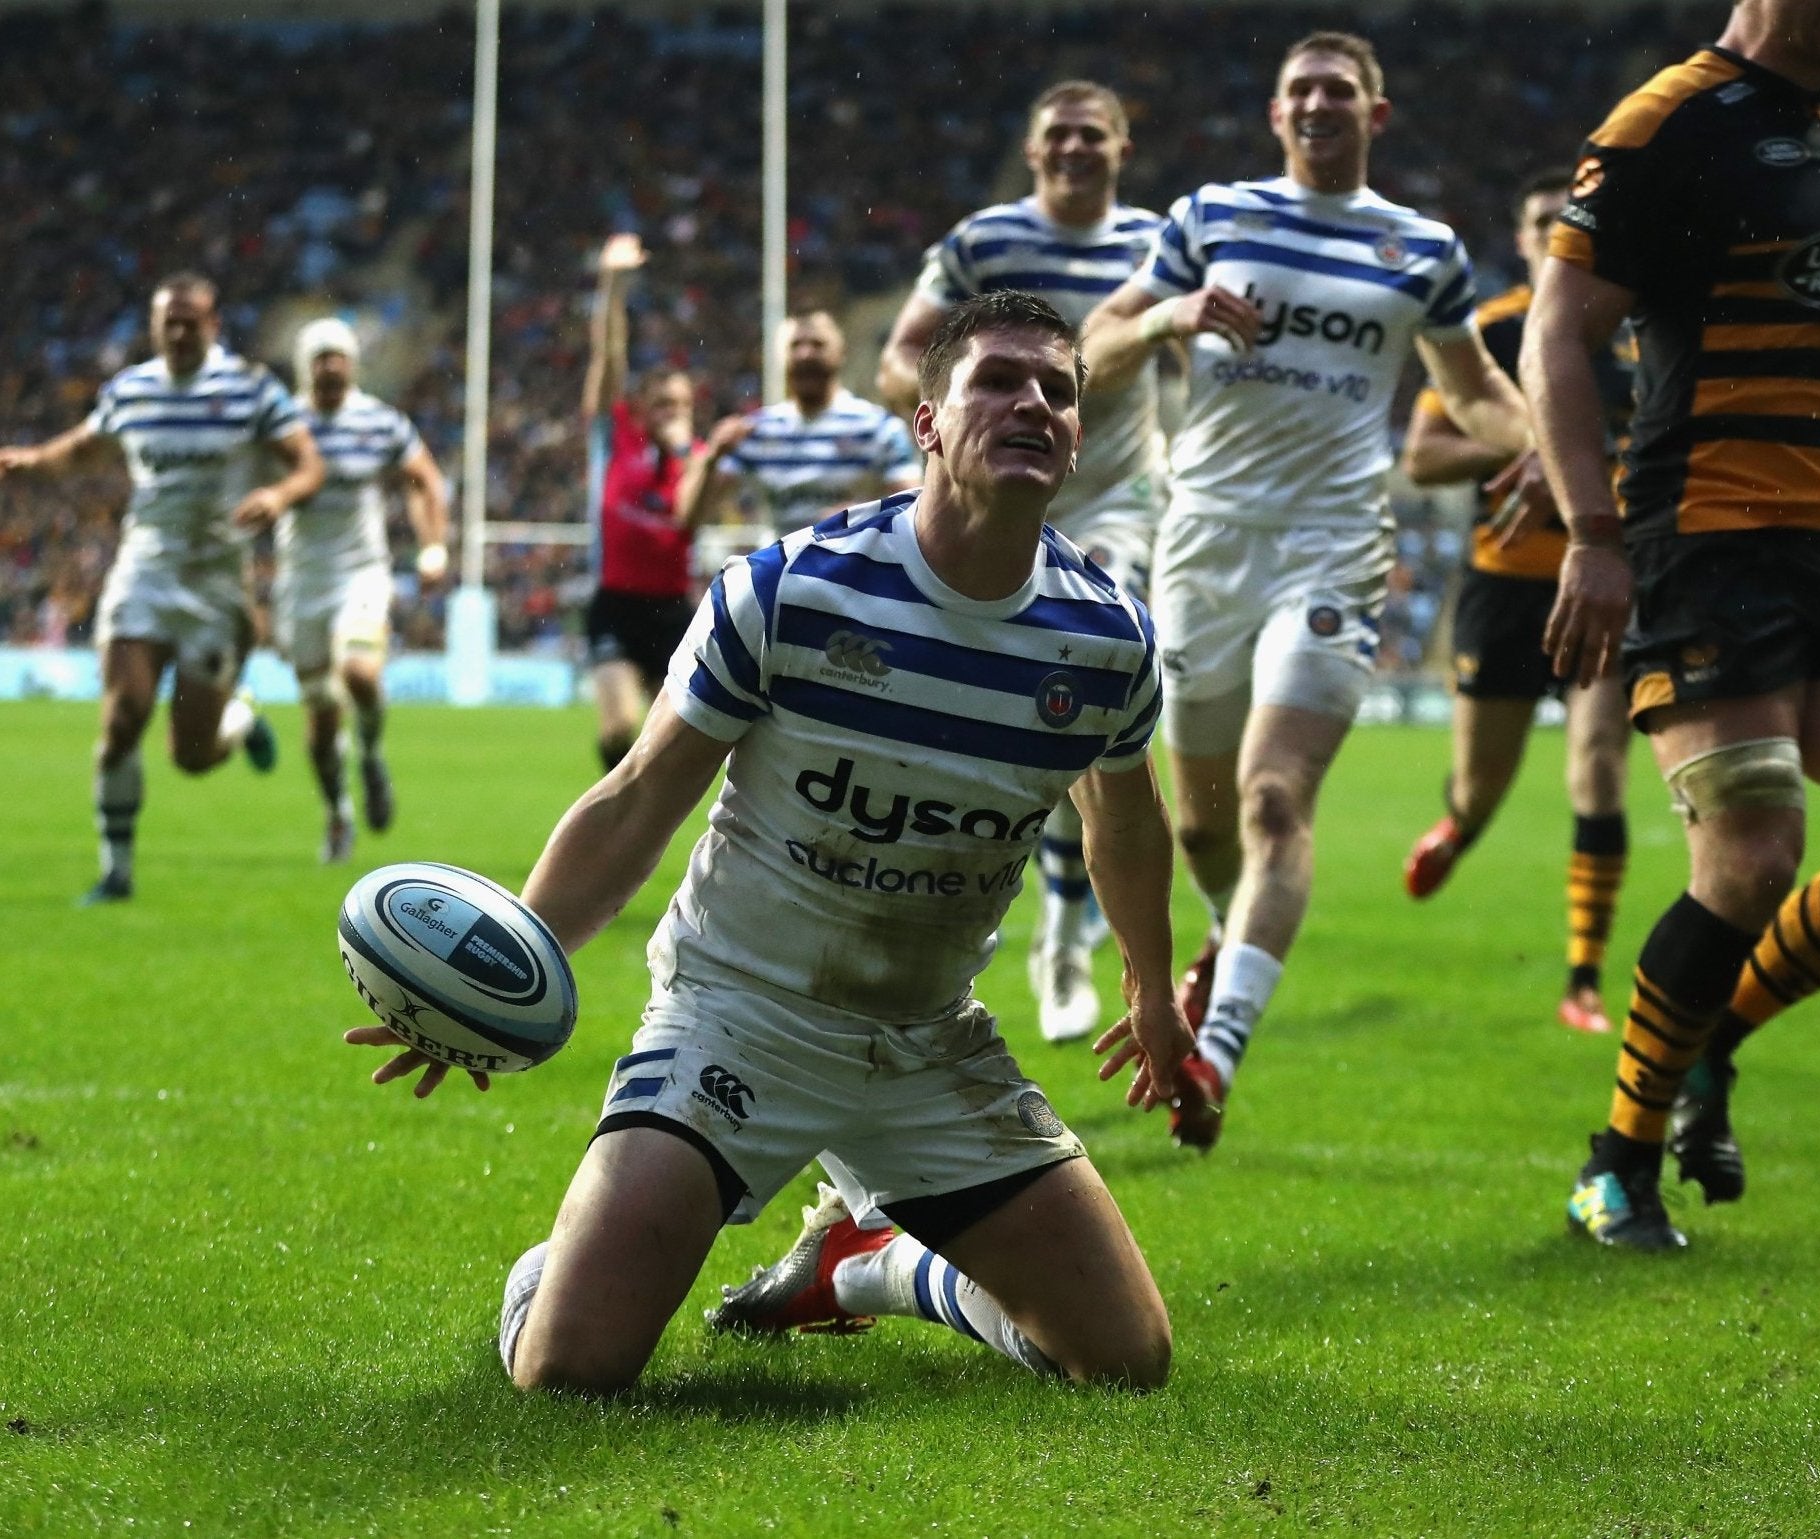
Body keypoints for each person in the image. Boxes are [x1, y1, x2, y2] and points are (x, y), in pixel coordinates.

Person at [346, 292, 1192, 1394]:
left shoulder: (1105, 640)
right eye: (997, 380)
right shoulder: (792, 589)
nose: (1031, 402)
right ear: (928, 420)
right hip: (737, 1017)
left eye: (1058, 392)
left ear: (1079, 435)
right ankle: (562, 1279)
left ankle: (873, 1267)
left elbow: (1123, 822)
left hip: (927, 1044)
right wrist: (496, 971)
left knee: (1125, 1362)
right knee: (571, 1371)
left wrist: (1153, 989)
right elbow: (638, 797)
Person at [1527, 0, 1820, 1249]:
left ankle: (1714, 1037)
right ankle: (1614, 1167)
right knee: (1752, 859)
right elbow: (1557, 331)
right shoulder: (1665, 125)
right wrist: (1591, 534)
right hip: (1705, 537)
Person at [1083, 32, 1531, 1148]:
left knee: (1275, 798)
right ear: (1275, 115)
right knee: (1200, 822)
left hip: (1333, 546)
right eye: (1301, 91)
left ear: (1377, 115)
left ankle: (1219, 1052)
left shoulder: (1419, 250)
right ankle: (1220, 945)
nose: (1319, 104)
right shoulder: (1209, 220)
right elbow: (1093, 346)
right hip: (1205, 542)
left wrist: (1537, 451)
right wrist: (1166, 318)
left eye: (1341, 90)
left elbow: (1474, 393)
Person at [877, 80, 1165, 1046]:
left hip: (1116, 495)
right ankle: (1041, 921)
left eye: (1094, 135)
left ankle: (1066, 935)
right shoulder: (983, 241)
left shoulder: (1158, 245)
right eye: (1057, 137)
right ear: (1033, 150)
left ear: (1124, 146)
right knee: (1023, 707)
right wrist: (948, 424)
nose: (1075, 150)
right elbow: (899, 358)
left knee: (1079, 684)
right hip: (991, 495)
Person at [1399, 168, 1637, 1036]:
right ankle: (1460, 826)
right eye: (1539, 221)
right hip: (1502, 585)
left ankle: (1583, 977)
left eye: (1565, 220)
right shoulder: (1491, 332)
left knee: (1600, 760)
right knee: (1480, 787)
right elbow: (1422, 456)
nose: (1551, 233)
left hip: (1606, 582)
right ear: (1520, 237)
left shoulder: (1633, 335)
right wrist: (1524, 451)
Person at [0, 273, 323, 903]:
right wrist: (31, 460)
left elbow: (308, 461)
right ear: (153, 328)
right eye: (166, 321)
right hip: (145, 570)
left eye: (190, 320)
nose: (177, 332)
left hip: (217, 583)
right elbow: (90, 447)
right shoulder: (133, 390)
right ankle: (116, 871)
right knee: (123, 717)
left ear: (213, 325)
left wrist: (279, 493)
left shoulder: (251, 389)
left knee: (193, 757)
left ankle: (239, 716)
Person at [278, 318, 450, 863]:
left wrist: (432, 545)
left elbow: (425, 478)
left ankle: (372, 754)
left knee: (359, 674)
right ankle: (336, 813)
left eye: (338, 357)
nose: (329, 366)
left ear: (352, 364)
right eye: (319, 357)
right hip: (300, 582)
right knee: (321, 723)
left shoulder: (377, 421)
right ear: (304, 367)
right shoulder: (281, 425)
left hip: (361, 572)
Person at [583, 232, 701, 771]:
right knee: (619, 730)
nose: (669, 411)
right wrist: (612, 285)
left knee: (670, 747)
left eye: (678, 403)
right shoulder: (619, 438)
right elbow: (609, 353)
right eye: (660, 403)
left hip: (673, 610)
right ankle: (612, 807)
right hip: (616, 603)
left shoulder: (699, 459)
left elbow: (688, 522)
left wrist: (684, 455)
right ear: (641, 407)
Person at [675, 309, 920, 538]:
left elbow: (913, 510)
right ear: (781, 358)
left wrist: (861, 516)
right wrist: (712, 457)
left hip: (852, 576)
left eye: (818, 344)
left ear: (841, 353)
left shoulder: (879, 428)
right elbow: (689, 518)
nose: (805, 354)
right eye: (796, 345)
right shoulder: (756, 430)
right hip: (780, 576)